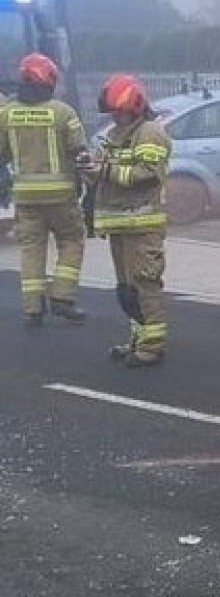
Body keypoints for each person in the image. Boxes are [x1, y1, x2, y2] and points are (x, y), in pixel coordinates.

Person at [0, 53, 88, 325]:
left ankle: (32, 307)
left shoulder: (6, 114)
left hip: (25, 196)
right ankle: (62, 297)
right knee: (72, 241)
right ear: (49, 79)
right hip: (61, 196)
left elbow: (2, 154)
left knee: (31, 248)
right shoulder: (64, 113)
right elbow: (80, 153)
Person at [91, 74, 172, 367]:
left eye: (119, 111)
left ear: (134, 106)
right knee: (127, 289)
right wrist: (91, 168)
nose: (116, 116)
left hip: (142, 224)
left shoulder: (150, 132)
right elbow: (104, 167)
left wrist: (106, 171)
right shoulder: (115, 134)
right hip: (121, 224)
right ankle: (138, 339)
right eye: (112, 112)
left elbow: (148, 173)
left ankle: (153, 346)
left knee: (145, 284)